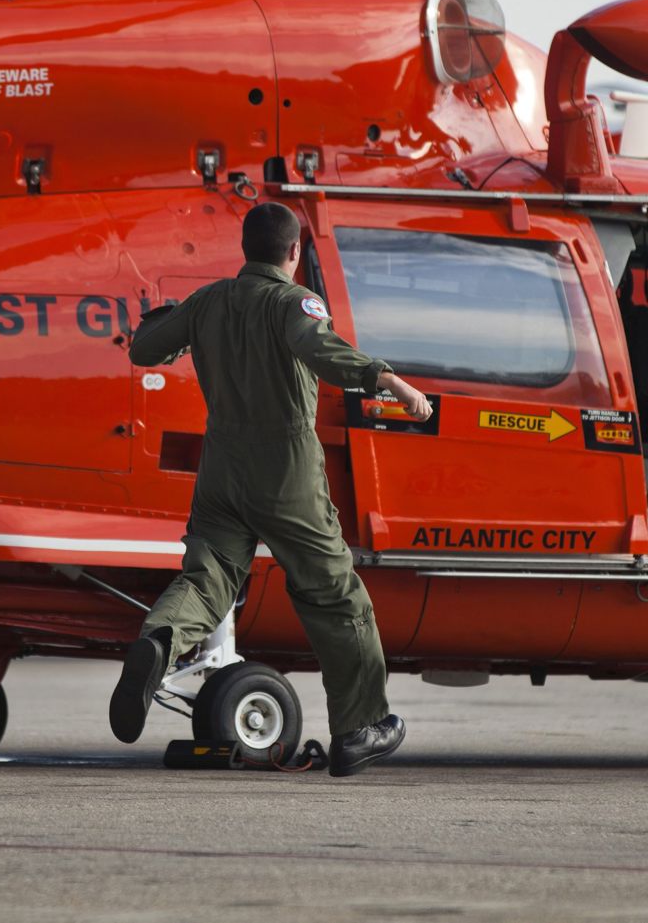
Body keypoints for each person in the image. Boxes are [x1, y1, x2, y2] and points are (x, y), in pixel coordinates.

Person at [109, 201, 431, 777]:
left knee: (207, 578)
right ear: (294, 251)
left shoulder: (208, 300)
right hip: (285, 468)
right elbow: (319, 348)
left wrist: (182, 326)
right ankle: (359, 728)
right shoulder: (293, 302)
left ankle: (160, 640)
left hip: (221, 466)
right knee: (335, 595)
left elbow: (144, 348)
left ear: (245, 248)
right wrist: (389, 380)